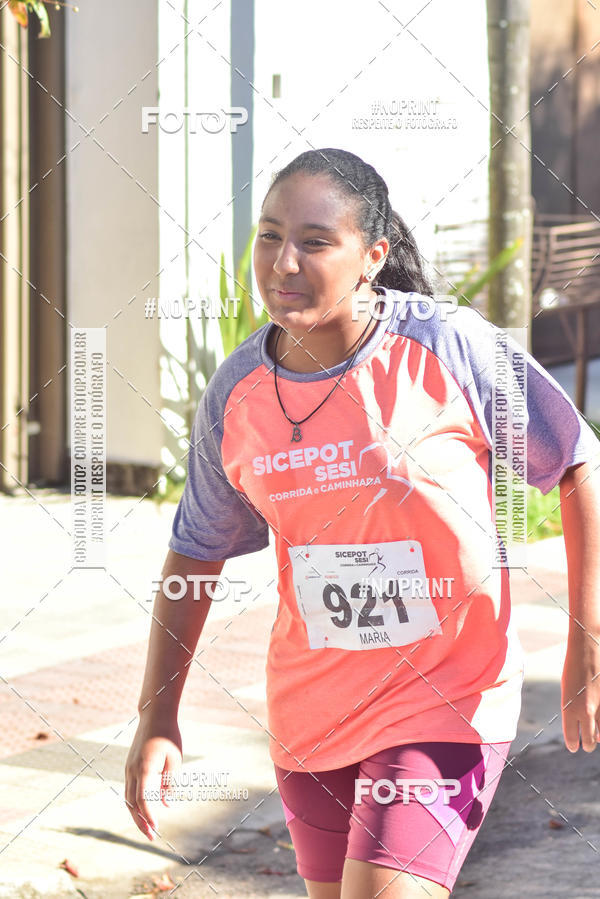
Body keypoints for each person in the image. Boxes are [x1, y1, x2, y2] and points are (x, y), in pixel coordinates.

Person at [125, 148, 600, 897]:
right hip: (313, 710)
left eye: (315, 241)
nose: (284, 261)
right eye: (270, 235)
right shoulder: (238, 393)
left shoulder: (445, 345)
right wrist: (158, 716)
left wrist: (587, 639)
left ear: (372, 256)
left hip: (447, 697)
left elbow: (575, 461)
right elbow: (194, 554)